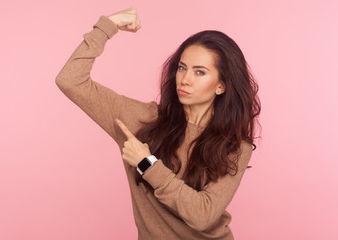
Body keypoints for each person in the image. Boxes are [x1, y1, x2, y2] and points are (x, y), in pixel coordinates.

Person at [55, 6, 260, 240]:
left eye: (200, 72)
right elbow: (69, 80)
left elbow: (203, 215)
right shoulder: (140, 119)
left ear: (221, 85)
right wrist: (108, 25)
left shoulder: (234, 145)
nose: (185, 79)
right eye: (182, 68)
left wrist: (146, 163)